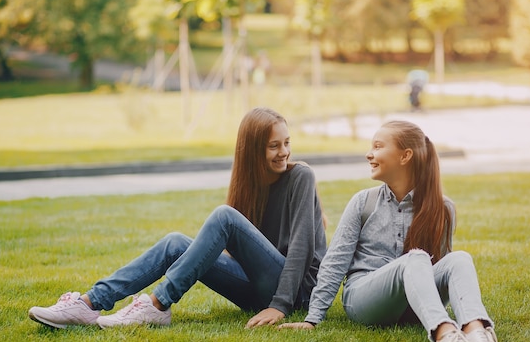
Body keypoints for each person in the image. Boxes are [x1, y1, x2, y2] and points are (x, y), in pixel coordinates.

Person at [29, 107, 327, 330]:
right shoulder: (249, 185)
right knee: (174, 243)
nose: (284, 152)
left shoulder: (300, 176)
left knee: (225, 217)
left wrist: (280, 306)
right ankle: (89, 303)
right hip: (257, 289)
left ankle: (158, 304)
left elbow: (301, 250)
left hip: (295, 292)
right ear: (251, 150)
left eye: (286, 143)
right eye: (274, 146)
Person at [279, 120, 504, 342]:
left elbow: (442, 270)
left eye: (378, 147)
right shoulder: (363, 202)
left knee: (460, 258)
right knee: (416, 258)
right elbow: (335, 263)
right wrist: (313, 318)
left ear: (405, 156)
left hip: (411, 304)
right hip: (363, 299)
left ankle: (476, 331)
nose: (369, 154)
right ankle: (445, 337)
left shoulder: (443, 207)